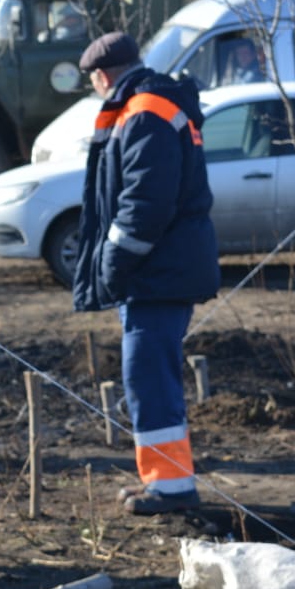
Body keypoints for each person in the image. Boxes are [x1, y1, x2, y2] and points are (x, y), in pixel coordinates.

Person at [70, 31, 220, 516]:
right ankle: (162, 479)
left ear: (100, 76)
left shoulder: (144, 110)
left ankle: (172, 488)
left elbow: (144, 204)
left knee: (148, 378)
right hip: (162, 271)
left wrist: (113, 264)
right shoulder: (150, 104)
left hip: (157, 273)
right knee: (150, 377)